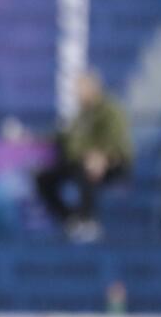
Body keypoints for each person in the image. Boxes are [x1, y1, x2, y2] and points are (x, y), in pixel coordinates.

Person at [35, 70, 132, 241]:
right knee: (43, 178)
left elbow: (116, 139)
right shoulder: (81, 114)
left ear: (93, 87)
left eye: (81, 88)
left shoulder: (110, 109)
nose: (77, 92)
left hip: (111, 162)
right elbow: (66, 138)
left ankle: (89, 221)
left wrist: (103, 156)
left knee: (86, 168)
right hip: (78, 161)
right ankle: (71, 220)